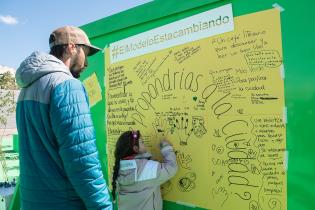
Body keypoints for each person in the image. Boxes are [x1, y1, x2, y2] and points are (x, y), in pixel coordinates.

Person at [15, 26, 112, 210]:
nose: (87, 63)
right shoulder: (67, 86)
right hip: (64, 203)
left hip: (32, 202)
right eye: (85, 52)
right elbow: (82, 161)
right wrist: (103, 207)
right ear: (71, 47)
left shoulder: (26, 89)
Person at [111, 130, 178, 210]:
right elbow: (171, 168)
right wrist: (166, 148)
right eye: (142, 142)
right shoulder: (147, 168)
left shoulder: (118, 168)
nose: (145, 144)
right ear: (136, 148)